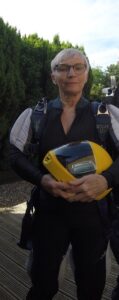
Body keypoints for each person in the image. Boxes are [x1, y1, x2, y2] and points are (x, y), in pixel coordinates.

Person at [10, 48, 119, 300]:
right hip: (49, 216)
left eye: (78, 67)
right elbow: (14, 154)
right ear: (53, 76)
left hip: (94, 219)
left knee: (91, 289)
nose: (71, 73)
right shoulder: (35, 116)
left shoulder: (107, 116)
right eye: (63, 67)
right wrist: (42, 179)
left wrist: (106, 179)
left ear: (86, 74)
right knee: (42, 286)